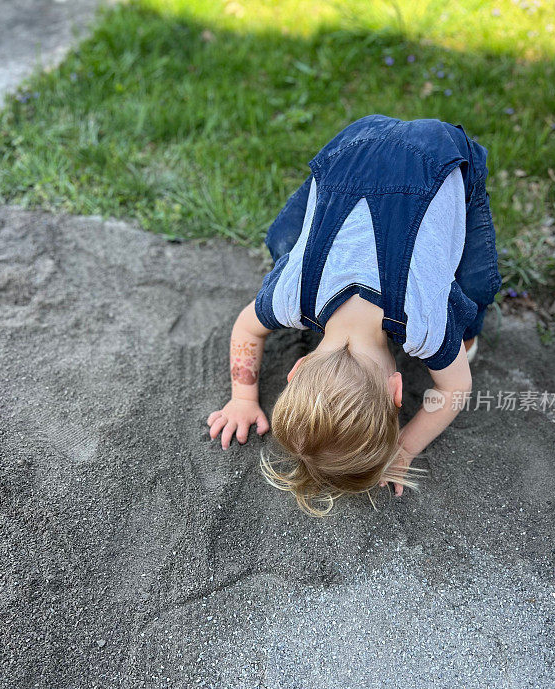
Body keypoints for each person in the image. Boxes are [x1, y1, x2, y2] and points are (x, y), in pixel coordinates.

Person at [207, 115, 502, 515]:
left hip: (442, 159)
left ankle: (466, 338)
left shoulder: (425, 322)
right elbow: (248, 327)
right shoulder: (291, 296)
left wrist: (405, 447)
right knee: (286, 241)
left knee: (475, 283)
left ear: (398, 393)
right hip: (352, 146)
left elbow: (454, 389)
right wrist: (241, 396)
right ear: (298, 369)